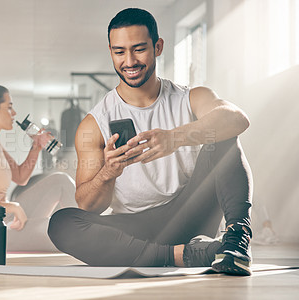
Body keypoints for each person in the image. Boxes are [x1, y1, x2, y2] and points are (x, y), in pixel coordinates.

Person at [48, 8, 253, 276]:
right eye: (119, 51)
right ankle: (185, 255)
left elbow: (237, 119)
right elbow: (88, 206)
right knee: (61, 223)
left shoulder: (189, 98)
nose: (129, 61)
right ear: (110, 51)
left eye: (139, 49)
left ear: (158, 47)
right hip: (138, 228)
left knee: (223, 135)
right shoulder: (93, 124)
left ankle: (237, 242)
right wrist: (109, 172)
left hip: (191, 211)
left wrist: (175, 138)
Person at [0, 84, 76, 252]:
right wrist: (13, 206)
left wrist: (36, 146)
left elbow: (20, 177)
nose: (14, 113)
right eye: (9, 107)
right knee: (64, 233)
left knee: (60, 181)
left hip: (5, 219)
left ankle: (83, 228)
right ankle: (83, 233)